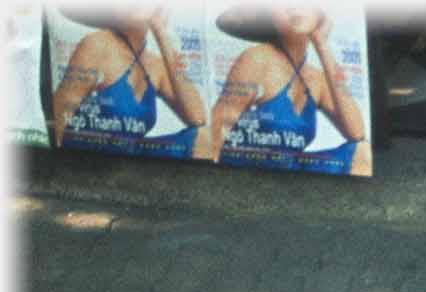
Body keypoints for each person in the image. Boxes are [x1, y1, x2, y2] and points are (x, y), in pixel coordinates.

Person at [209, 5, 370, 176]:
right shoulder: (257, 59)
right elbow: (215, 133)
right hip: (246, 172)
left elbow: (357, 133)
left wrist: (322, 45)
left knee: (362, 153)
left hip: (289, 173)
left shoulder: (316, 78)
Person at [48, 6, 210, 159]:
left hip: (130, 162)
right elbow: (61, 116)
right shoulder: (97, 45)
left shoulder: (156, 65)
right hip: (90, 159)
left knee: (204, 141)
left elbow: (198, 119)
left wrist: (161, 31)